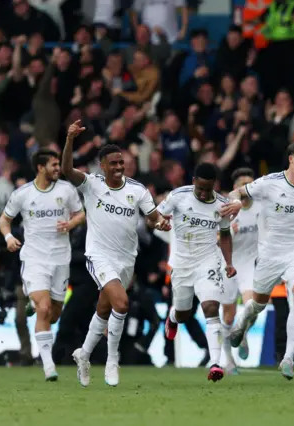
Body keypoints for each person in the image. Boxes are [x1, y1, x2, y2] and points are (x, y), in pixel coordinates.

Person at [62, 120, 171, 388]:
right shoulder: (91, 184)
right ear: (103, 165)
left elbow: (153, 217)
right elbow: (66, 170)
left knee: (104, 307)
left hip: (126, 259)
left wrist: (161, 223)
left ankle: (84, 354)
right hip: (98, 255)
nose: (120, 167)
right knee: (121, 304)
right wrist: (69, 140)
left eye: (121, 162)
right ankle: (113, 360)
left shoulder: (137, 190)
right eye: (114, 163)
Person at [221, 141, 294, 380]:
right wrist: (232, 202)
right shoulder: (269, 182)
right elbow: (238, 193)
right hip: (270, 254)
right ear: (291, 159)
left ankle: (288, 358)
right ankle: (242, 325)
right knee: (257, 305)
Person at [0, 149, 85, 380]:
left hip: (60, 259)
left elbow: (81, 213)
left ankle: (33, 304)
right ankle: (48, 366)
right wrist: (8, 238)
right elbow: (4, 220)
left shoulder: (66, 190)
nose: (58, 168)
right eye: (54, 165)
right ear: (40, 167)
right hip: (35, 258)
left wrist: (71, 223)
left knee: (53, 314)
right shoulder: (23, 194)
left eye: (58, 165)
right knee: (44, 308)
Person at [160, 162, 237, 382]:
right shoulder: (178, 196)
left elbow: (224, 235)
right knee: (184, 313)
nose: (203, 194)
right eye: (200, 189)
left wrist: (228, 262)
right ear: (193, 181)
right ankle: (173, 317)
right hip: (182, 264)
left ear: (214, 185)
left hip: (208, 261)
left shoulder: (222, 205)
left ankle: (215, 363)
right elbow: (155, 216)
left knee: (211, 307)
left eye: (208, 189)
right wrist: (159, 223)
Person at [221, 167, 261, 374]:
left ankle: (241, 332)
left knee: (253, 306)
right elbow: (215, 240)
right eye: (241, 184)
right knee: (228, 316)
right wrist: (229, 233)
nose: (245, 188)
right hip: (227, 265)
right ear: (235, 188)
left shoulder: (261, 208)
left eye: (249, 184)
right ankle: (228, 361)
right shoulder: (226, 209)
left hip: (249, 265)